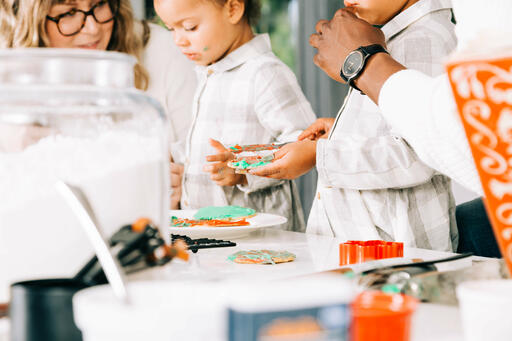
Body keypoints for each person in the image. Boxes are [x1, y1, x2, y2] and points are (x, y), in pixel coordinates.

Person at [253, 0, 458, 251]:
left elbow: (417, 155)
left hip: (394, 257)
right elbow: (395, 126)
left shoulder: (424, 40)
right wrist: (342, 130)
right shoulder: (395, 35)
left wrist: (321, 155)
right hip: (366, 248)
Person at [3, 0, 197, 208]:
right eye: (69, 13)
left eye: (100, 4)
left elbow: (207, 175)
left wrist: (183, 188)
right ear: (30, 21)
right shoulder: (8, 86)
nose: (93, 28)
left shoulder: (165, 50)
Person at [154, 0, 317, 231]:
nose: (179, 40)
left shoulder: (264, 73)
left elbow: (307, 144)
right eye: (172, 29)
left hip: (262, 241)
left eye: (190, 27)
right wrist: (179, 159)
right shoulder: (209, 75)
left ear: (233, 9)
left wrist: (243, 171)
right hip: (212, 239)